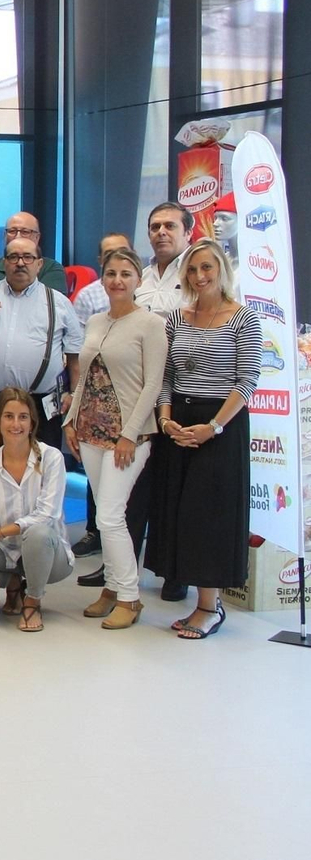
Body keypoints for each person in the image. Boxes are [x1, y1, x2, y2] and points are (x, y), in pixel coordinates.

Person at [146, 238, 260, 639]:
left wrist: (214, 427)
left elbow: (247, 382)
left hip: (220, 427)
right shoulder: (178, 317)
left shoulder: (243, 318)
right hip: (178, 422)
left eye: (207, 268)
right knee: (178, 512)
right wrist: (165, 419)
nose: (200, 276)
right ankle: (196, 596)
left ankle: (209, 607)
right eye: (193, 270)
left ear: (222, 271)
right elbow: (167, 377)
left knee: (207, 516)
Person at [63, 245, 166, 629]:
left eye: (126, 273)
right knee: (104, 516)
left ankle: (129, 596)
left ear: (138, 279)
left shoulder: (150, 324)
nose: (117, 280)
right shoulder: (95, 321)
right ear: (102, 279)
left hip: (129, 436)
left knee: (109, 515)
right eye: (111, 274)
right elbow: (85, 377)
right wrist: (71, 421)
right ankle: (111, 587)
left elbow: (153, 384)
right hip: (89, 431)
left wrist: (129, 434)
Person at [0, 236, 83, 467]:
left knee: (39, 473)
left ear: (39, 264)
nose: (20, 263)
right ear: (4, 262)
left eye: (27, 257)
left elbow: (74, 358)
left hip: (38, 406)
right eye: (13, 257)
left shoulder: (59, 303)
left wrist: (73, 394)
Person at [0, 388, 73, 632]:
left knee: (38, 533)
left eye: (23, 417)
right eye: (8, 416)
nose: (16, 423)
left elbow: (46, 514)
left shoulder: (51, 458)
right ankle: (13, 582)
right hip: (5, 553)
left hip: (49, 552)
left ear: (32, 422)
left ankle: (32, 600)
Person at [0, 213, 69, 294]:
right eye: (12, 231)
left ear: (37, 237)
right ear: (5, 236)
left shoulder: (51, 268)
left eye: (25, 232)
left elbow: (51, 305)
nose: (17, 236)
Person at [137, 201, 190, 313]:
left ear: (188, 233)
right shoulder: (141, 279)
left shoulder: (202, 277)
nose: (161, 232)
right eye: (155, 227)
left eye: (170, 226)